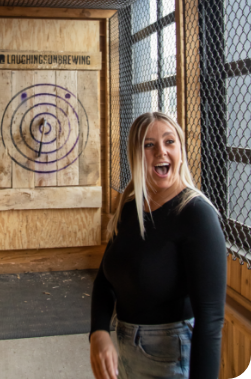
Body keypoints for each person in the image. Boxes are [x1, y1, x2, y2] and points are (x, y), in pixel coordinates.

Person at [89, 112, 227, 379]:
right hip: (128, 350)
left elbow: (210, 321)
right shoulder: (132, 206)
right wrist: (99, 331)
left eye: (169, 141)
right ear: (135, 155)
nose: (161, 151)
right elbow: (105, 279)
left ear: (181, 150)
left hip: (172, 355)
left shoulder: (197, 214)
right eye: (148, 144)